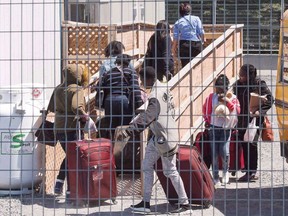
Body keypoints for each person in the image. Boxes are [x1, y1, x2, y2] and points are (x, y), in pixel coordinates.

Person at [125, 66, 191, 214]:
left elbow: (150, 115)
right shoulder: (163, 88)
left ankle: (185, 204)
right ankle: (145, 203)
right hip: (162, 135)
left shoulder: (154, 96)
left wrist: (132, 129)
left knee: (170, 171)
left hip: (164, 138)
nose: (142, 83)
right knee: (147, 165)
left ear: (148, 79)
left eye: (142, 79)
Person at [46, 64, 95, 197]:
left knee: (70, 156)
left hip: (59, 127)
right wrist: (85, 116)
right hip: (72, 127)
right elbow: (76, 106)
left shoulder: (58, 88)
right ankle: (70, 189)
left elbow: (50, 106)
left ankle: (59, 185)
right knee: (74, 157)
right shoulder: (77, 89)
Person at [233, 64, 273, 182]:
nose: (241, 77)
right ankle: (247, 169)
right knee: (244, 144)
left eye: (243, 75)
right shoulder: (238, 85)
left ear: (250, 75)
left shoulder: (259, 84)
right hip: (241, 120)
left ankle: (252, 172)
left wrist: (259, 111)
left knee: (252, 144)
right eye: (240, 75)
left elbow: (270, 99)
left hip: (255, 121)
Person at [203, 74, 241, 186]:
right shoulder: (211, 97)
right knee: (214, 152)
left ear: (226, 87)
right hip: (213, 128)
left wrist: (226, 101)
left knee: (224, 151)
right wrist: (207, 120)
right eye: (216, 88)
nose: (218, 91)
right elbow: (205, 108)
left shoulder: (232, 98)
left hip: (226, 128)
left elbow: (237, 111)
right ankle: (215, 177)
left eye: (220, 88)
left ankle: (225, 172)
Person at [95, 54, 143, 140]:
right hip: (123, 100)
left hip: (109, 102)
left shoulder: (108, 73)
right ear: (128, 63)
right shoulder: (131, 72)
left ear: (116, 62)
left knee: (112, 128)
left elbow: (98, 86)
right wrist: (139, 105)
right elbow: (135, 89)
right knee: (124, 127)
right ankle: (122, 150)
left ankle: (112, 149)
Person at [172, 2, 206, 68]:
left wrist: (173, 49)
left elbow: (175, 38)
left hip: (184, 45)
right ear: (190, 10)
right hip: (196, 45)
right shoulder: (196, 19)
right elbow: (201, 32)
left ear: (180, 12)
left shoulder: (177, 22)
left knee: (186, 67)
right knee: (198, 66)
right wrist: (202, 42)